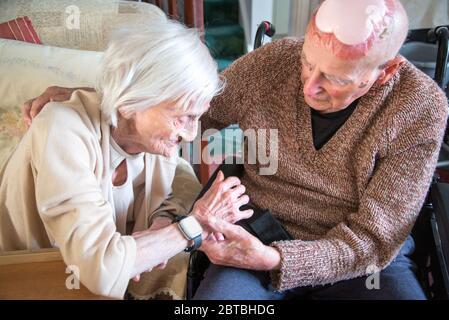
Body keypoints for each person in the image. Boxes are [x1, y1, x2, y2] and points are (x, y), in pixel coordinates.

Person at [21, 0, 449, 300]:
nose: (308, 86)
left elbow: (375, 240)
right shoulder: (273, 62)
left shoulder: (420, 107)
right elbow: (184, 106)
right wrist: (100, 101)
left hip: (360, 258)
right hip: (255, 231)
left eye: (334, 79)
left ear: (385, 71)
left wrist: (276, 259)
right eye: (307, 60)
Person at [0, 17, 253, 299]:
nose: (192, 135)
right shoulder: (61, 129)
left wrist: (164, 223)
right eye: (184, 117)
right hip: (26, 282)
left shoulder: (149, 139)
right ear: (133, 101)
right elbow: (101, 269)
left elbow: (180, 177)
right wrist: (193, 226)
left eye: (197, 117)